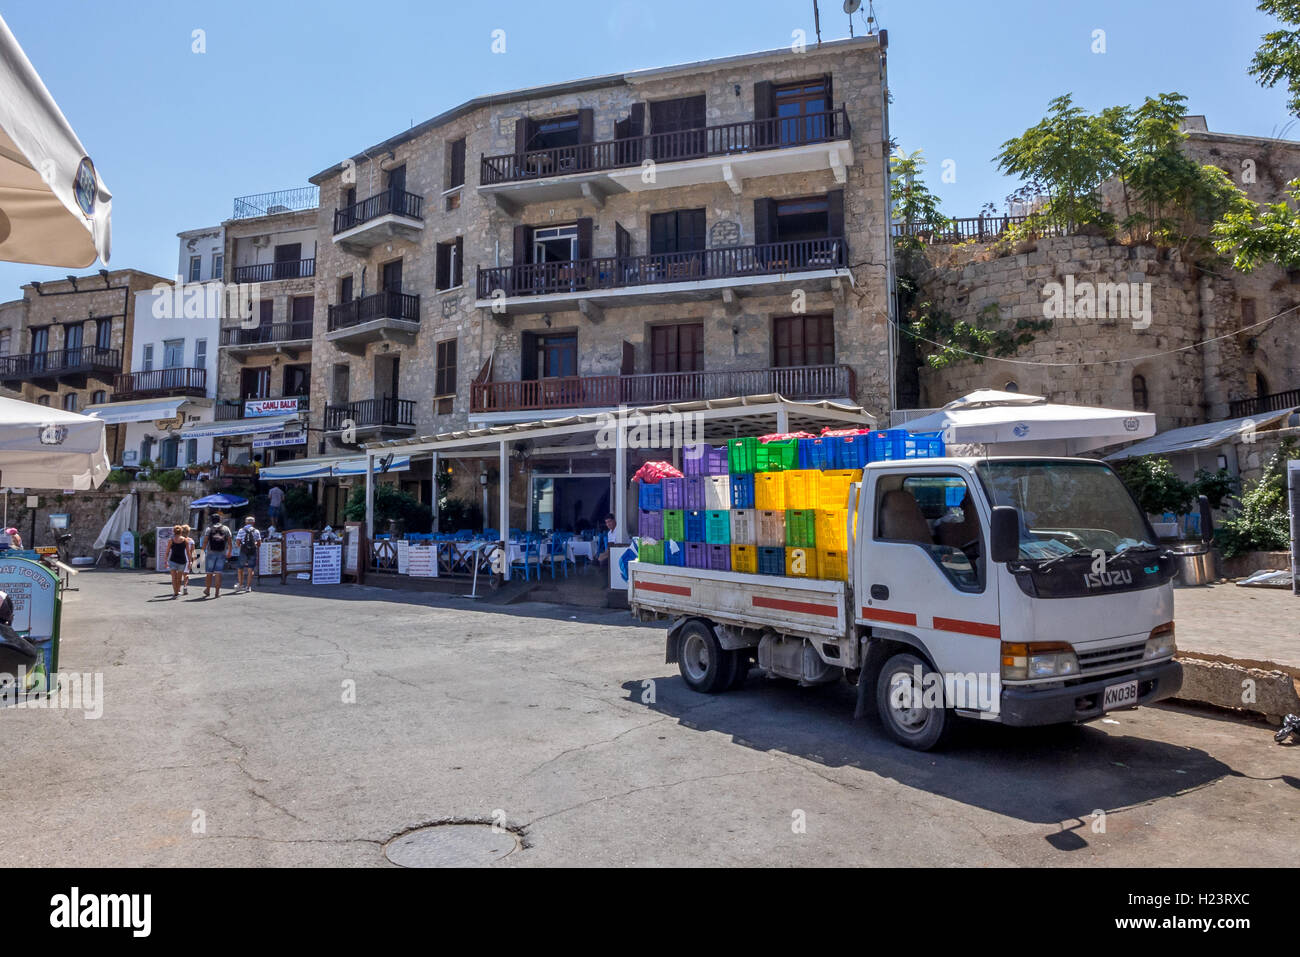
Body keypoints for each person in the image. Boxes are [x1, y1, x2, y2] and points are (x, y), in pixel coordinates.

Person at [200, 512, 233, 599]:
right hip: (222, 553)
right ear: (219, 520)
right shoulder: (226, 528)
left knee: (209, 573)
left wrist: (202, 552)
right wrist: (229, 552)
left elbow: (205, 541)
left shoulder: (209, 529)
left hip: (210, 553)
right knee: (218, 573)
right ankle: (217, 593)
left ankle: (207, 590)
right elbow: (230, 542)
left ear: (211, 520)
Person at [233, 516, 262, 593]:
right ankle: (248, 587)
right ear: (253, 522)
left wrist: (242, 546)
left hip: (243, 551)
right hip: (252, 551)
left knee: (240, 568)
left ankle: (240, 584)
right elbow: (259, 544)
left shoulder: (241, 530)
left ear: (246, 522)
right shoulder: (256, 531)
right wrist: (254, 544)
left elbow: (238, 543)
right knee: (250, 569)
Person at [165, 525, 191, 599]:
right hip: (182, 561)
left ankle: (175, 592)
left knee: (173, 577)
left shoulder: (171, 540)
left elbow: (167, 551)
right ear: (181, 532)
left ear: (174, 532)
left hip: (173, 560)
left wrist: (165, 561)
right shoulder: (185, 540)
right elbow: (188, 552)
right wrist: (190, 561)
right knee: (179, 578)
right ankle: (177, 592)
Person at [180, 524, 196, 595]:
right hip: (187, 559)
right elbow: (193, 551)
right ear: (188, 532)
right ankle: (185, 587)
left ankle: (177, 588)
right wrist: (194, 560)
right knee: (186, 574)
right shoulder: (191, 540)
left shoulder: (178, 540)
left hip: (179, 559)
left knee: (179, 574)